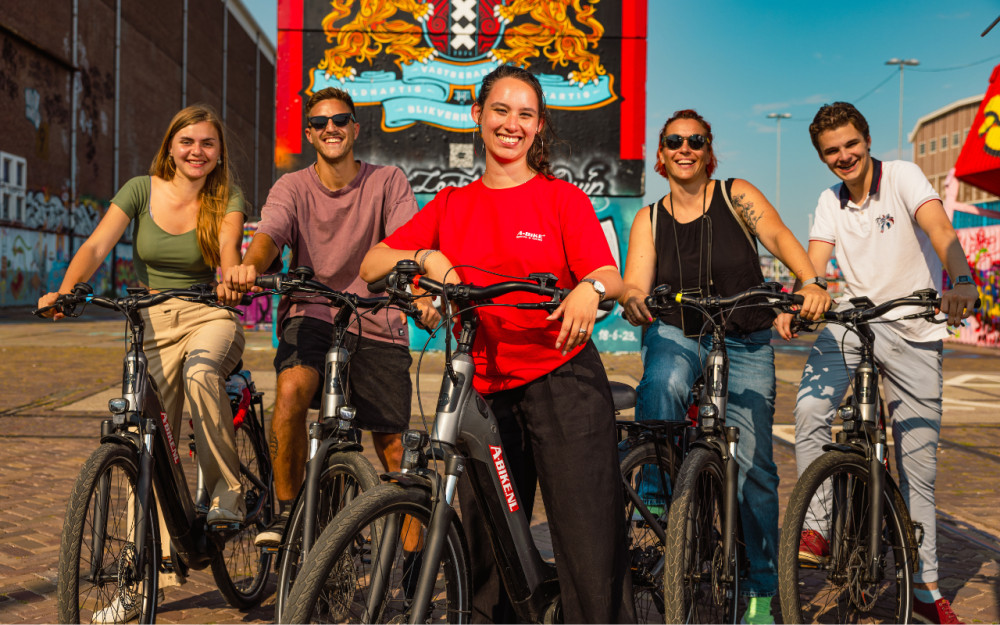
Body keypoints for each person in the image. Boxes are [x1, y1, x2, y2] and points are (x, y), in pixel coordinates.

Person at [360, 64, 632, 623]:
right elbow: (373, 263)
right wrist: (431, 260)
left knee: (586, 546)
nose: (512, 124)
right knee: (489, 554)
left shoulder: (562, 199)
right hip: (480, 389)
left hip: (564, 380)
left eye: (525, 114)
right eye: (501, 110)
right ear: (478, 116)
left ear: (538, 128)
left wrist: (589, 288)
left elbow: (611, 274)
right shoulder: (453, 204)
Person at [618, 109, 831, 624]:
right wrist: (630, 298)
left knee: (755, 468)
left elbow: (778, 236)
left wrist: (808, 280)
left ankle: (760, 590)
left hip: (744, 338)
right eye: (674, 141)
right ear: (662, 154)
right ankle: (661, 493)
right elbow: (634, 282)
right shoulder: (650, 218)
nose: (685, 148)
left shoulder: (737, 195)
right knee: (663, 379)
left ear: (708, 150)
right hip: (679, 329)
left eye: (696, 140)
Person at [37, 104, 247, 615]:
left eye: (207, 144)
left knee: (201, 374)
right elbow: (96, 245)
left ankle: (228, 492)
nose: (196, 151)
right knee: (144, 449)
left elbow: (227, 251)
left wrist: (230, 276)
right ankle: (136, 583)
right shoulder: (139, 189)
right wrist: (65, 292)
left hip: (207, 317)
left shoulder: (228, 197)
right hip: (149, 322)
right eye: (187, 141)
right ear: (170, 145)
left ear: (218, 154)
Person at [777, 102, 978, 625]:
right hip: (853, 322)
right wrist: (806, 295)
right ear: (822, 158)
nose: (843, 157)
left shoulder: (904, 177)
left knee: (919, 469)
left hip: (913, 323)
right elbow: (815, 262)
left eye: (850, 145)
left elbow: (939, 230)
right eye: (831, 152)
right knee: (809, 411)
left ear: (866, 141)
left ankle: (925, 586)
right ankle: (817, 527)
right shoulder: (829, 200)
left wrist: (959, 278)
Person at [225, 87, 436, 547]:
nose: (331, 128)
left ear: (355, 129)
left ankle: (413, 569)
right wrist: (250, 266)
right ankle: (288, 517)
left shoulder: (388, 182)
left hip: (376, 316)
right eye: (320, 123)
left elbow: (405, 246)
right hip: (313, 312)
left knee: (394, 446)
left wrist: (416, 293)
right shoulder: (292, 187)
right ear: (309, 134)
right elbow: (271, 233)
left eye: (340, 120)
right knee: (291, 389)